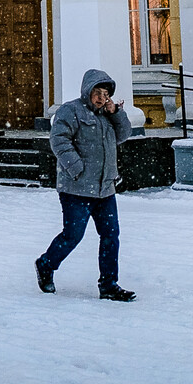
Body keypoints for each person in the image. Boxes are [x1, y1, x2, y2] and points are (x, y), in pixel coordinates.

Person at [35, 68, 136, 301]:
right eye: (97, 92)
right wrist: (77, 169)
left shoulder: (107, 115)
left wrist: (116, 112)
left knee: (111, 235)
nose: (101, 97)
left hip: (105, 189)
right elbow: (59, 140)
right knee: (73, 235)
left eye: (105, 94)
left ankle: (109, 285)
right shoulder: (70, 111)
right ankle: (46, 264)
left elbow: (124, 135)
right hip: (76, 189)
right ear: (87, 90)